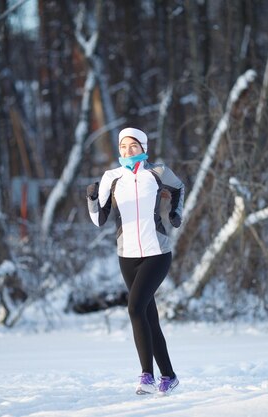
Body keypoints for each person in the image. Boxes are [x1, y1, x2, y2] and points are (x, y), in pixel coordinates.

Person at [87, 127, 184, 395]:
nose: (127, 151)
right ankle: (169, 376)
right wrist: (92, 198)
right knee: (148, 317)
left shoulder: (159, 173)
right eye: (123, 147)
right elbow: (99, 219)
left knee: (134, 309)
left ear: (143, 147)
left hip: (157, 253)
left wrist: (176, 213)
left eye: (133, 146)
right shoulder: (112, 178)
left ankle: (147, 377)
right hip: (126, 256)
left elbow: (179, 189)